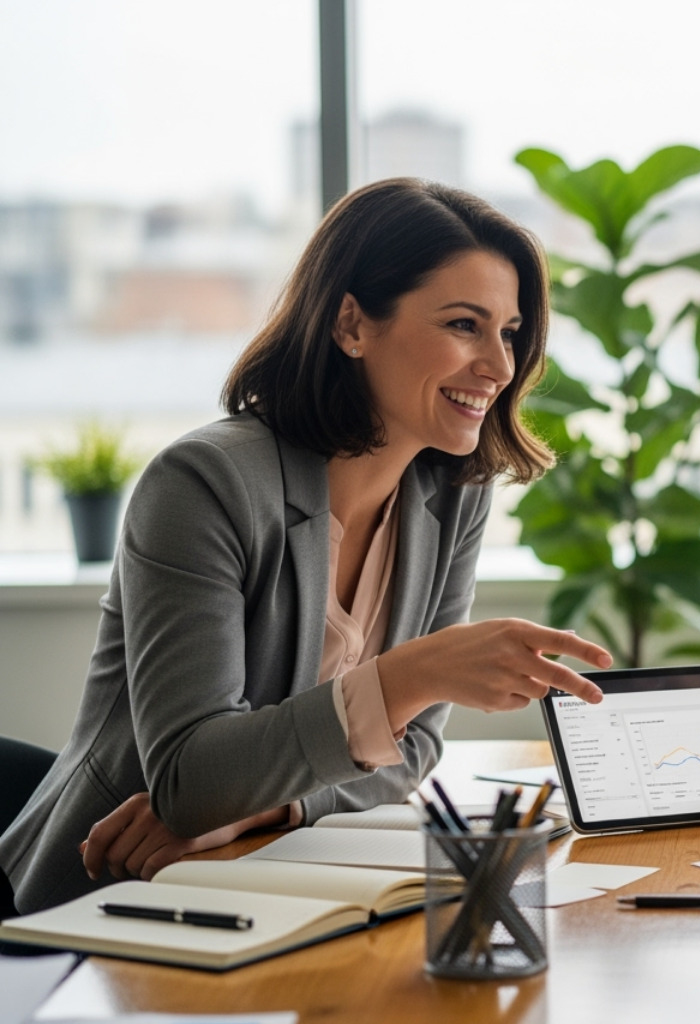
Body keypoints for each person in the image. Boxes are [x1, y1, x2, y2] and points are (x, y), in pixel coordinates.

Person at [0, 178, 611, 916]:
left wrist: (274, 807)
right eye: (463, 325)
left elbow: (410, 755)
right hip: (110, 905)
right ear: (352, 324)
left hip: (274, 880)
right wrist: (409, 676)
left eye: (509, 332)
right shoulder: (204, 483)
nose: (500, 366)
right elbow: (190, 780)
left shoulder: (453, 496)